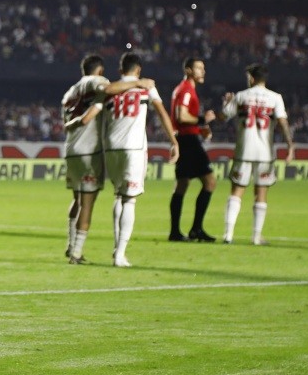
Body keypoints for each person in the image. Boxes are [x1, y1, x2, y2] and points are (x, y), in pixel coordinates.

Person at [62, 54, 157, 265]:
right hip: (89, 150)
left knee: (77, 199)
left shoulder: (69, 92)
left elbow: (71, 118)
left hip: (70, 148)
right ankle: (76, 253)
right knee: (87, 202)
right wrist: (139, 82)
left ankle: (70, 246)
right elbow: (109, 90)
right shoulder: (98, 82)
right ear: (100, 71)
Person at [103, 52, 179, 267]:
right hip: (133, 148)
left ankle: (117, 250)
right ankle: (120, 254)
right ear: (138, 70)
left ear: (120, 70)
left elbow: (107, 92)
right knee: (130, 199)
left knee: (119, 195)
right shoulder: (145, 86)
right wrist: (173, 141)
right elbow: (162, 112)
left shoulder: (113, 87)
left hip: (112, 147)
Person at [218, 63, 294, 245]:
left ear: (251, 78)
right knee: (261, 193)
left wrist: (226, 104)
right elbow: (283, 123)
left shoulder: (241, 96)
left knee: (237, 191)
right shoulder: (276, 98)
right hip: (265, 153)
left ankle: (228, 235)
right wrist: (290, 146)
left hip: (244, 150)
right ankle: (256, 236)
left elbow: (223, 117)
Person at [168, 57, 217, 242]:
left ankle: (176, 232)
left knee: (182, 185)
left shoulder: (183, 89)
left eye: (203, 68)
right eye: (198, 68)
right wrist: (202, 120)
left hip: (186, 139)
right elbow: (182, 116)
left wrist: (200, 129)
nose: (202, 71)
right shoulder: (187, 89)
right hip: (188, 141)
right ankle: (196, 229)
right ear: (188, 70)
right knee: (210, 182)